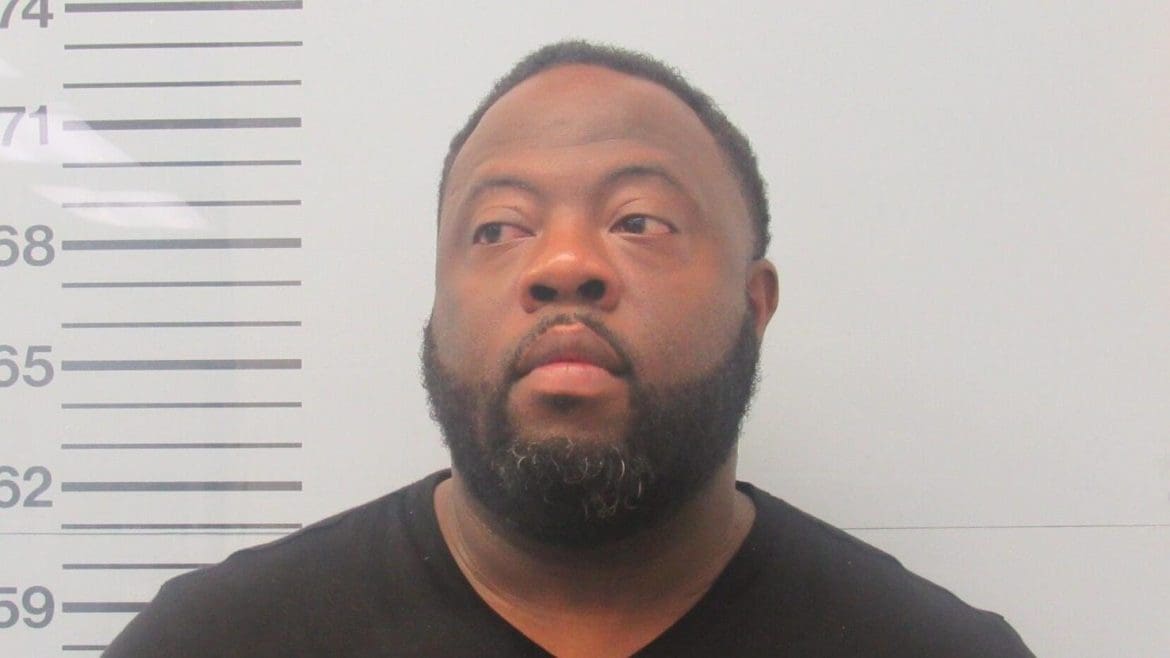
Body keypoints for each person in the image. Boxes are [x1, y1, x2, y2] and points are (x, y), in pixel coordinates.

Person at [105, 41, 1033, 657]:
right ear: (437, 305)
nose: (563, 265)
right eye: (499, 228)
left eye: (639, 220)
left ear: (754, 305)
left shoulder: (935, 650)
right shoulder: (215, 642)